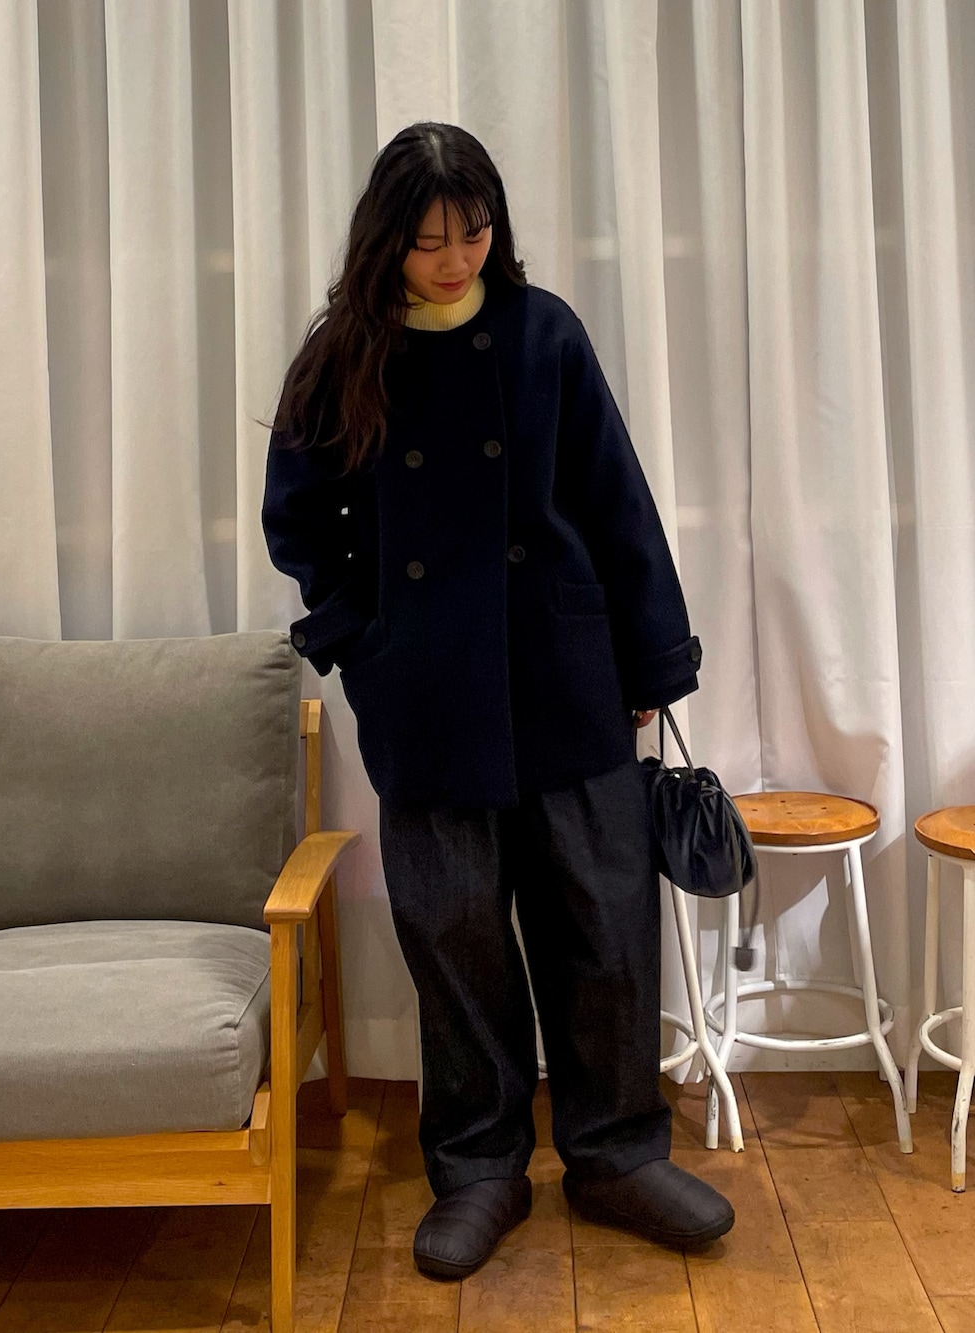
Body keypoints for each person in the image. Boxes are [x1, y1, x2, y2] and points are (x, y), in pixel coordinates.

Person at [262, 121, 734, 1280]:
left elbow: (616, 500)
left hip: (566, 677)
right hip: (426, 695)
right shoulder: (342, 356)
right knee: (455, 938)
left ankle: (616, 1153)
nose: (454, 259)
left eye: (471, 233)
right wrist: (364, 644)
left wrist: (649, 662)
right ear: (387, 239)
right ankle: (477, 1167)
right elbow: (300, 524)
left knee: (604, 926)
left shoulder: (542, 333)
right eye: (429, 240)